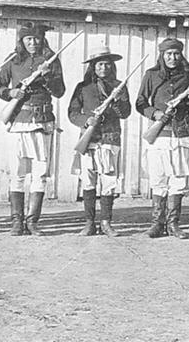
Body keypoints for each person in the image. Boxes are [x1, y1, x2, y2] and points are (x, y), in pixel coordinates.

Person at [0, 23, 66, 236]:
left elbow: (60, 91)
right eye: (28, 39)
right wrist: (11, 93)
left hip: (42, 121)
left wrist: (47, 77)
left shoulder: (52, 60)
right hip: (19, 120)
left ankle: (32, 221)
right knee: (17, 172)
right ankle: (17, 222)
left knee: (40, 173)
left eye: (36, 39)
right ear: (22, 41)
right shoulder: (13, 60)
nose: (33, 43)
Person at [135, 38, 189, 239]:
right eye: (168, 54)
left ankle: (173, 224)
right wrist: (155, 114)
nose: (172, 58)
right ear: (162, 55)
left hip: (181, 133)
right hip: (161, 135)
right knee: (159, 179)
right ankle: (157, 224)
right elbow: (140, 102)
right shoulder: (151, 75)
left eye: (176, 54)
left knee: (178, 180)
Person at [67, 45, 132, 237]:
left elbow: (125, 113)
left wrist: (118, 100)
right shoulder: (83, 87)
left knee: (109, 182)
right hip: (89, 140)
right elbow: (72, 112)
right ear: (93, 67)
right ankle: (89, 223)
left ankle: (106, 222)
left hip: (110, 139)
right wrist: (86, 121)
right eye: (99, 64)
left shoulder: (120, 86)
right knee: (88, 181)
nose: (103, 68)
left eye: (107, 64)